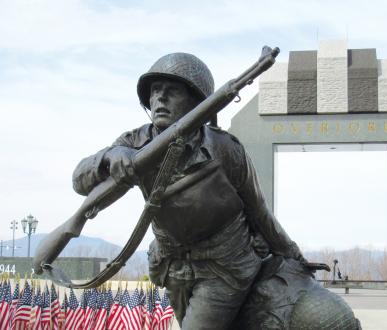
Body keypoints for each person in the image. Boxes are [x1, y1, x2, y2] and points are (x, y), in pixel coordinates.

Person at [71, 52, 305, 329]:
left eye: (172, 92)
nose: (160, 99)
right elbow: (80, 181)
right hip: (173, 267)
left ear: (197, 103)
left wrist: (294, 255)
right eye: (155, 92)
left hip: (225, 266)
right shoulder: (135, 142)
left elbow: (258, 210)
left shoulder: (225, 148)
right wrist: (110, 156)